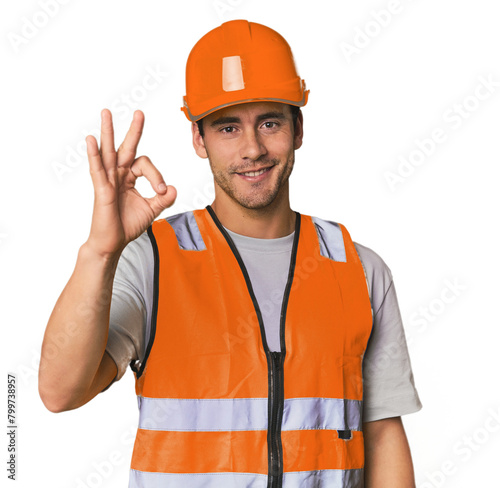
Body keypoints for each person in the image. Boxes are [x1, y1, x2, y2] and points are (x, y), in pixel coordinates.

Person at [39, 19, 422, 488]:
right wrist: (100, 251)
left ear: (298, 128)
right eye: (227, 128)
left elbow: (382, 435)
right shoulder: (153, 261)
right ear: (199, 140)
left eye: (269, 122)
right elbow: (59, 392)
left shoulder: (358, 270)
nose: (253, 149)